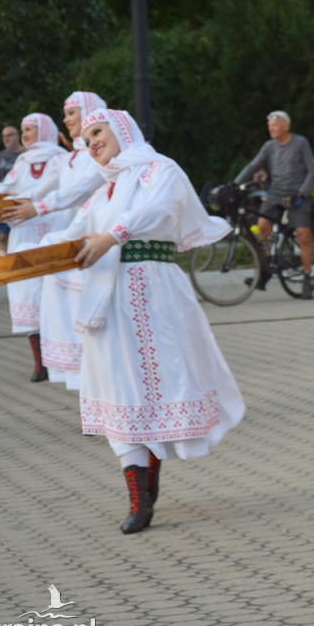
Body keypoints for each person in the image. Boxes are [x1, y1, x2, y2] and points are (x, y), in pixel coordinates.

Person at [54, 108, 245, 534]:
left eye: (97, 132)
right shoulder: (105, 188)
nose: (92, 143)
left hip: (153, 290)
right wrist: (19, 258)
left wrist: (113, 235)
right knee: (117, 385)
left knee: (154, 383)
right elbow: (72, 230)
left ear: (122, 129)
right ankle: (139, 497)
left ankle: (150, 475)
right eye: (86, 140)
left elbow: (158, 209)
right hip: (106, 295)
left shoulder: (160, 169)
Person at [4, 92, 107, 390]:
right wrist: (6, 204)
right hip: (73, 239)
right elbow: (44, 188)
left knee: (91, 321)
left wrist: (36, 208)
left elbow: (80, 191)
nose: (67, 119)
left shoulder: (93, 156)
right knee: (69, 316)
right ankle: (92, 398)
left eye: (73, 112)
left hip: (96, 241)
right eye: (65, 114)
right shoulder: (73, 157)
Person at [0, 114, 70, 381]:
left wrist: (25, 199)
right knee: (26, 291)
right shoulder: (22, 161)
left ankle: (61, 357)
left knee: (54, 290)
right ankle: (40, 362)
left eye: (29, 129)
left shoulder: (61, 158)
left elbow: (49, 187)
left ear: (45, 130)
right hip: (23, 232)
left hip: (54, 226)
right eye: (22, 130)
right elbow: (5, 185)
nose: (24, 135)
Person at [233, 110, 314, 298]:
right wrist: (235, 184)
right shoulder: (269, 146)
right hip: (276, 192)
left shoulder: (300, 143)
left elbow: (312, 171)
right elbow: (254, 165)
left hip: (297, 193)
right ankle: (268, 265)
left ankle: (306, 277)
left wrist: (302, 193)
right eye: (269, 126)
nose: (271, 129)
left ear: (286, 125)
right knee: (262, 226)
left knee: (303, 234)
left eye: (275, 125)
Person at [0, 125, 25, 257]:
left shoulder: (26, 154)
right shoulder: (1, 156)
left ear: (17, 136)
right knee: (3, 236)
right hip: (4, 203)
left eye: (9, 135)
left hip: (22, 202)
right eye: (4, 136)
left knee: (21, 235)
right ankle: (2, 262)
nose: (6, 138)